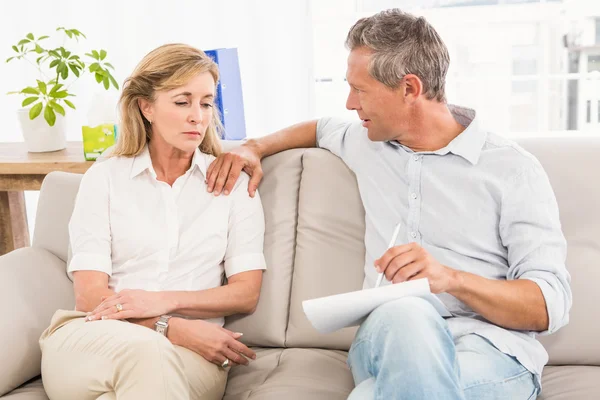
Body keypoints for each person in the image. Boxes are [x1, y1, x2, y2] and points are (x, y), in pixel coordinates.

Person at [205, 9, 571, 400]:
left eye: (360, 90)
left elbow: (549, 305)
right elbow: (319, 128)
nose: (349, 103)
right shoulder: (366, 141)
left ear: (409, 88)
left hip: (491, 351)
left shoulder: (512, 170)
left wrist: (450, 279)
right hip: (389, 336)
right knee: (408, 308)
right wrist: (253, 147)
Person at [39, 43, 266, 400]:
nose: (198, 116)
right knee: (149, 350)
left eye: (206, 102)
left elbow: (245, 294)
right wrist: (169, 327)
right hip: (96, 336)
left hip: (195, 354)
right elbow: (90, 295)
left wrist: (161, 302)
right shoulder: (105, 178)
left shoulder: (232, 184)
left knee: (144, 369)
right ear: (146, 107)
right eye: (182, 101)